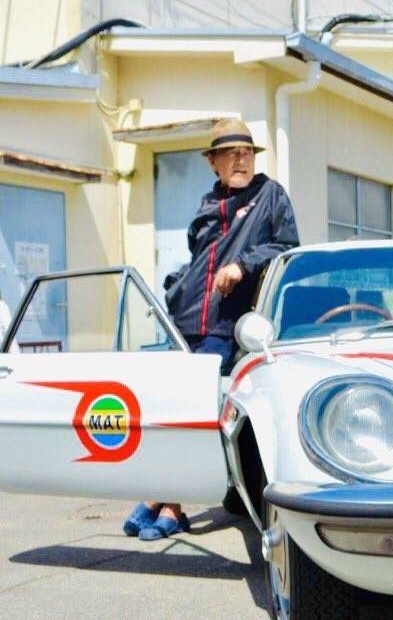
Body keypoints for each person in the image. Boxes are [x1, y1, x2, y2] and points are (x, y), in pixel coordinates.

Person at [125, 118, 300, 540]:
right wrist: (175, 287)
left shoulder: (269, 195)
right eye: (231, 154)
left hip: (228, 325)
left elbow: (288, 247)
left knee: (196, 412)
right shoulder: (208, 203)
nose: (241, 160)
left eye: (247, 152)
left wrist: (243, 265)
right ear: (214, 163)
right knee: (169, 409)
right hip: (186, 322)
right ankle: (166, 498)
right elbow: (199, 260)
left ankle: (166, 500)